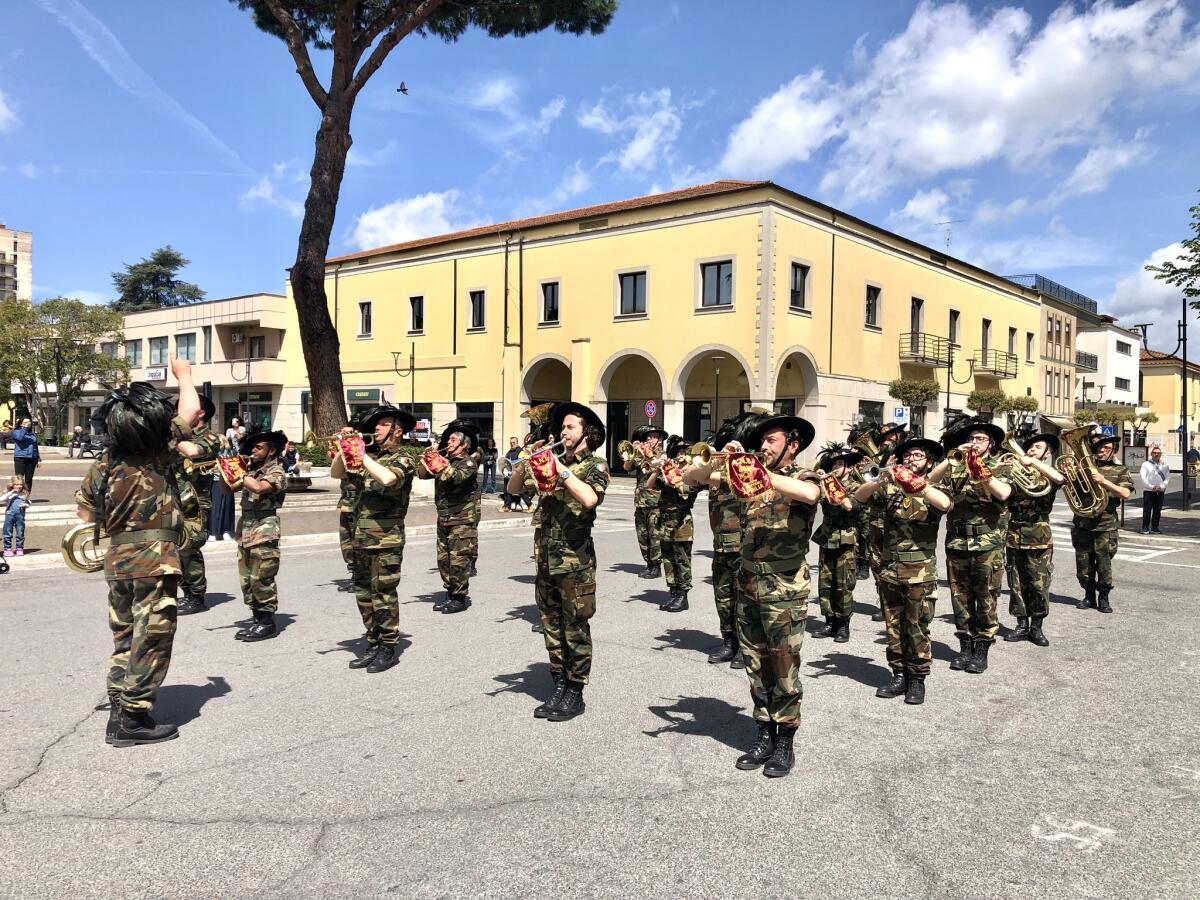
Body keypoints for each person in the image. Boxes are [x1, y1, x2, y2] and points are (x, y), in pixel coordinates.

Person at [75, 355, 204, 747]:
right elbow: (191, 410)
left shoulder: (105, 462)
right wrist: (183, 375)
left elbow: (85, 512)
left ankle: (119, 704)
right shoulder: (158, 450)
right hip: (154, 559)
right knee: (152, 637)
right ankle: (133, 718)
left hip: (117, 561)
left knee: (125, 635)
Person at [725, 413, 821, 779]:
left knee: (783, 667)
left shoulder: (805, 476)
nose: (763, 447)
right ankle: (763, 732)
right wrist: (727, 458)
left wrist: (760, 472)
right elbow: (693, 477)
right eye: (761, 441)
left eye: (771, 441)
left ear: (792, 446)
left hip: (785, 589)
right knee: (756, 664)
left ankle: (785, 740)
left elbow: (811, 495)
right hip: (748, 583)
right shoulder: (749, 478)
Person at [527, 402, 609, 722]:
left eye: (570, 426)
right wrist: (529, 462)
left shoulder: (595, 465)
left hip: (575, 562)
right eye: (562, 427)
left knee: (575, 627)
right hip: (546, 559)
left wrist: (559, 468)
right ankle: (559, 683)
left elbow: (589, 498)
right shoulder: (553, 461)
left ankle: (575, 690)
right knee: (551, 624)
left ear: (587, 432)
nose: (563, 431)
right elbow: (514, 488)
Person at [854, 438, 951, 705]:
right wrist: (880, 479)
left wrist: (916, 483)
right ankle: (898, 674)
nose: (910, 459)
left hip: (920, 570)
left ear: (929, 462)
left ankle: (917, 679)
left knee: (917, 626)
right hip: (889, 569)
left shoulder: (935, 486)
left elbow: (944, 504)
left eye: (917, 455)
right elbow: (859, 497)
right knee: (893, 626)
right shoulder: (890, 487)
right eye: (907, 455)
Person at [332, 405, 417, 673]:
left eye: (383, 424)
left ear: (398, 431)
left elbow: (388, 478)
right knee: (363, 593)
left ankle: (388, 646)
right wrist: (344, 447)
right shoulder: (369, 457)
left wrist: (360, 453)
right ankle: (373, 641)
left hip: (386, 540)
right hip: (361, 537)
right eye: (376, 424)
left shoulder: (404, 458)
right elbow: (337, 473)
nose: (376, 428)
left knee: (383, 594)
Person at [928, 417, 1012, 675]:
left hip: (987, 543)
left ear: (991, 443)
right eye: (971, 438)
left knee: (986, 597)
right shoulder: (956, 464)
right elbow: (930, 481)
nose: (974, 442)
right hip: (957, 541)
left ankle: (981, 649)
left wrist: (981, 470)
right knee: (960, 597)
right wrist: (950, 457)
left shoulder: (1001, 465)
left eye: (980, 439)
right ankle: (965, 647)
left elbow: (1003, 493)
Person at [683, 414, 759, 669]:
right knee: (723, 597)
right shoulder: (715, 469)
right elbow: (689, 477)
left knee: (744, 600)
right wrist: (718, 457)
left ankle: (746, 647)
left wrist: (740, 458)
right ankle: (729, 642)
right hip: (721, 545)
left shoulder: (750, 467)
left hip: (744, 545)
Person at [1003, 432, 1065, 646]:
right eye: (1029, 447)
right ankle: (1021, 624)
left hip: (1039, 535)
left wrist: (1033, 463)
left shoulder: (1048, 474)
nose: (1031, 450)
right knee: (1016, 583)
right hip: (1014, 534)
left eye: (1037, 447)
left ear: (1047, 453)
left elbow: (1060, 479)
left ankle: (1037, 627)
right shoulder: (1015, 471)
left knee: (1039, 584)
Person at [418, 420, 480, 614]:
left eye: (453, 440)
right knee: (443, 559)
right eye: (449, 439)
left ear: (464, 444)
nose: (449, 442)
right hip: (443, 517)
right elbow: (422, 475)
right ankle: (450, 592)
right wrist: (426, 459)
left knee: (459, 560)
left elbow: (457, 478)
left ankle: (460, 597)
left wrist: (439, 460)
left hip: (462, 519)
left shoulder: (468, 462)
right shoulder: (446, 459)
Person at [234, 429, 288, 642]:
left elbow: (258, 487)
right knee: (247, 579)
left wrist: (238, 472)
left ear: (271, 451)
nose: (254, 451)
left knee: (262, 577)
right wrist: (224, 473)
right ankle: (257, 618)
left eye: (259, 448)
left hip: (264, 528)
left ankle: (267, 623)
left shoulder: (276, 471)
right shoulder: (252, 471)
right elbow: (227, 490)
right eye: (253, 448)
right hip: (245, 528)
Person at [1071, 433, 1134, 613]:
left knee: (1103, 563)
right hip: (1083, 523)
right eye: (1098, 448)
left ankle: (1104, 597)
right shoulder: (1083, 468)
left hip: (1106, 524)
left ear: (1114, 450)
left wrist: (1104, 481)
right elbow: (1064, 483)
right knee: (1083, 564)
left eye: (1106, 448)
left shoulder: (1120, 470)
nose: (1101, 451)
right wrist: (1070, 470)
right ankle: (1089, 595)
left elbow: (1125, 493)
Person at [811, 442, 865, 643]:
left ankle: (843, 624)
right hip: (827, 537)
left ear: (850, 468)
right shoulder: (825, 484)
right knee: (825, 581)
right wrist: (818, 480)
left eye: (840, 464)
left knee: (843, 583)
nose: (835, 468)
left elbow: (849, 505)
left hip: (846, 539)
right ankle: (829, 620)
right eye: (833, 464)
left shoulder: (857, 487)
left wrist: (831, 485)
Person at [176, 396, 223, 616]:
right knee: (174, 551)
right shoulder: (180, 436)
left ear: (200, 412)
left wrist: (168, 436)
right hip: (173, 501)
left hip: (194, 503)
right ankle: (185, 591)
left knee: (189, 549)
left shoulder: (211, 437)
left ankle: (196, 596)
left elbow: (193, 451)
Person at [862, 423, 908, 623]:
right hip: (876, 520)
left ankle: (902, 603)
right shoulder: (875, 458)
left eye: (891, 436)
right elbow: (867, 491)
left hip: (898, 521)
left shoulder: (905, 456)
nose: (888, 439)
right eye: (885, 436)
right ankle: (884, 603)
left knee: (898, 564)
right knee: (877, 563)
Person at [647, 435, 697, 612]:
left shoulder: (693, 474)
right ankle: (673, 592)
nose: (681, 454)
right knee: (668, 559)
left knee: (681, 559)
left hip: (681, 522)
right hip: (665, 521)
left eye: (684, 452)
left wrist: (673, 474)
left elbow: (685, 491)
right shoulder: (668, 469)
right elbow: (649, 486)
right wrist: (657, 469)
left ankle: (683, 595)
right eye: (678, 452)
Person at [626, 425, 667, 579]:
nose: (650, 439)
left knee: (654, 535)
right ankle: (649, 563)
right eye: (648, 436)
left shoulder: (662, 456)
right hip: (640, 501)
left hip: (656, 502)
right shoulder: (641, 453)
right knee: (642, 535)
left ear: (660, 440)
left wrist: (652, 459)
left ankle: (656, 566)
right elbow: (627, 467)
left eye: (654, 436)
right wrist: (633, 451)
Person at [1139, 445, 1168, 534]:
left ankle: (1155, 527)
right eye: (1154, 453)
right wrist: (1151, 487)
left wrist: (1161, 487)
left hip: (1160, 490)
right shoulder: (1145, 464)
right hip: (1149, 490)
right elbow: (1143, 478)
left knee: (1157, 510)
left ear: (1161, 454)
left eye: (1158, 453)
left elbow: (1167, 478)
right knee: (1147, 510)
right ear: (1151, 454)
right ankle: (1145, 528)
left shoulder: (1165, 465)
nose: (1156, 454)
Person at [11, 418, 39, 496]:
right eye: (25, 422)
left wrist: (38, 458)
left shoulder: (32, 434)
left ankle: (26, 496)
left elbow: (35, 446)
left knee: (29, 479)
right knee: (19, 478)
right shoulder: (16, 432)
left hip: (32, 458)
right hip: (20, 457)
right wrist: (24, 428)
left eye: (29, 422)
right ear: (21, 424)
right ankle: (17, 495)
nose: (28, 423)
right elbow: (20, 438)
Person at [2, 475, 29, 557]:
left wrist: (26, 505)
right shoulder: (9, 494)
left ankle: (19, 548)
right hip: (10, 515)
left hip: (20, 516)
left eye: (21, 484)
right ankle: (7, 549)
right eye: (17, 484)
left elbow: (28, 502)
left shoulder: (23, 494)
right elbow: (1, 499)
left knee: (20, 533)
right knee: (7, 532)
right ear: (12, 485)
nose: (19, 486)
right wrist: (12, 492)